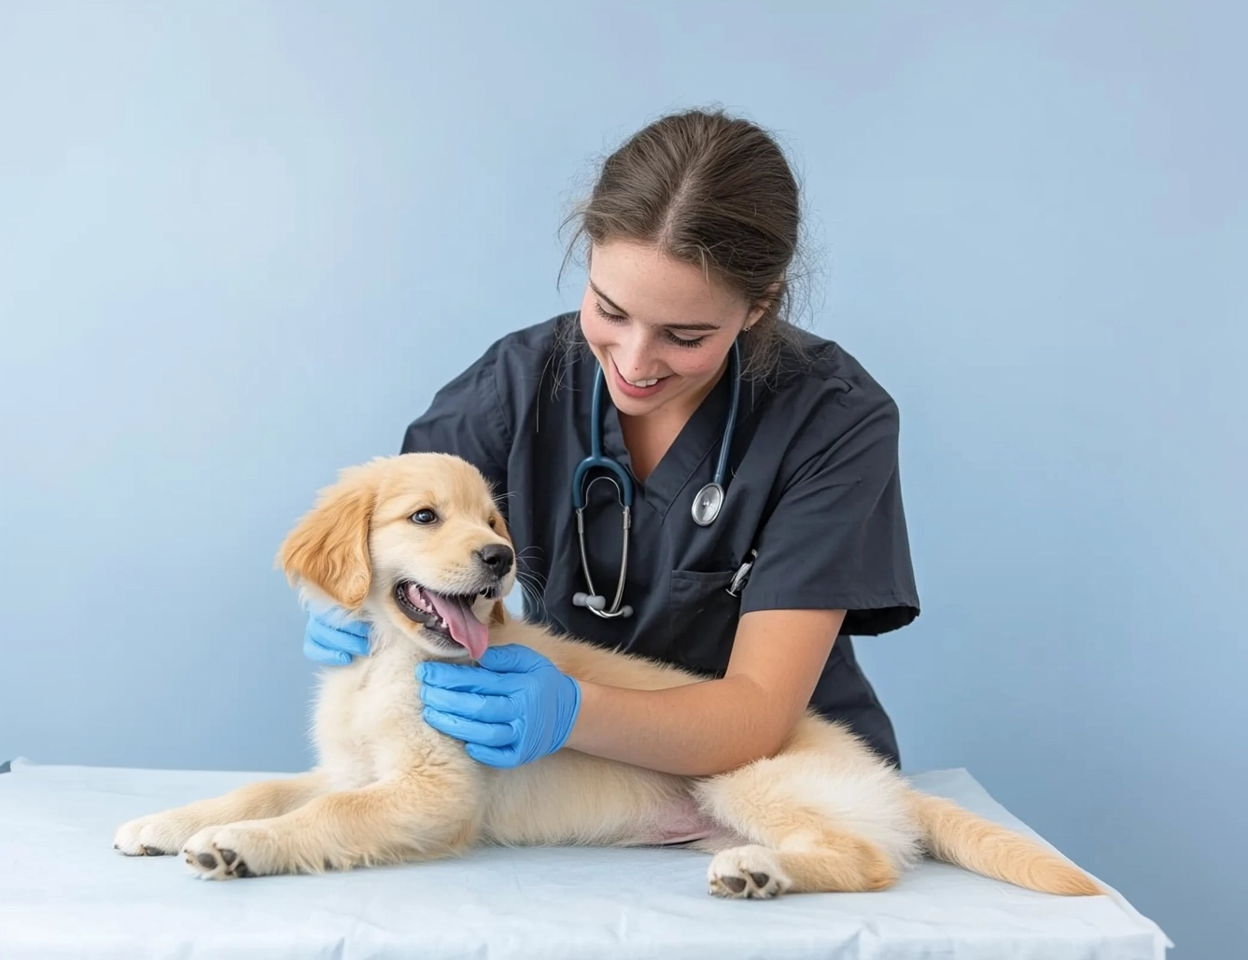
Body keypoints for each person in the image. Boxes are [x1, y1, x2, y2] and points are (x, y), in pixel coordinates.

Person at [303, 107, 920, 776]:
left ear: (760, 303)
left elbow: (758, 716)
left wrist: (569, 710)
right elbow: (401, 535)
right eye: (609, 310)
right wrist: (365, 601)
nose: (634, 360)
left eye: (684, 337)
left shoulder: (832, 419)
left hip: (785, 775)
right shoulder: (514, 389)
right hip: (586, 784)